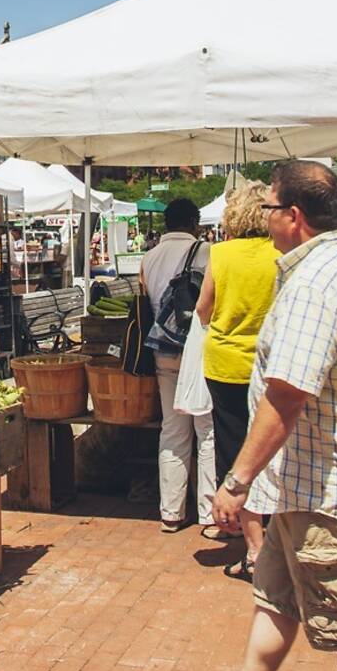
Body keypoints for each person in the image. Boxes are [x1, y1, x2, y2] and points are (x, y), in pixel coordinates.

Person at [179, 162, 337, 671]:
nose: (265, 218)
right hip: (306, 478)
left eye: (270, 207)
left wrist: (236, 481)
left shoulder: (316, 282)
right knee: (277, 596)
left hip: (332, 485)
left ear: (293, 216)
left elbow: (287, 394)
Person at [194, 181, 279, 574]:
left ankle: (253, 547)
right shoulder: (281, 254)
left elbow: (203, 310)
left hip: (226, 366)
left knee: (235, 454)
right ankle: (277, 539)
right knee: (275, 453)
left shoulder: (221, 253)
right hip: (273, 365)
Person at [138, 198, 215, 533]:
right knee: (206, 430)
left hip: (163, 350)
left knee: (172, 429)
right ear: (194, 222)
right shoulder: (208, 252)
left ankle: (171, 512)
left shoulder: (148, 257)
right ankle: (211, 514)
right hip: (198, 351)